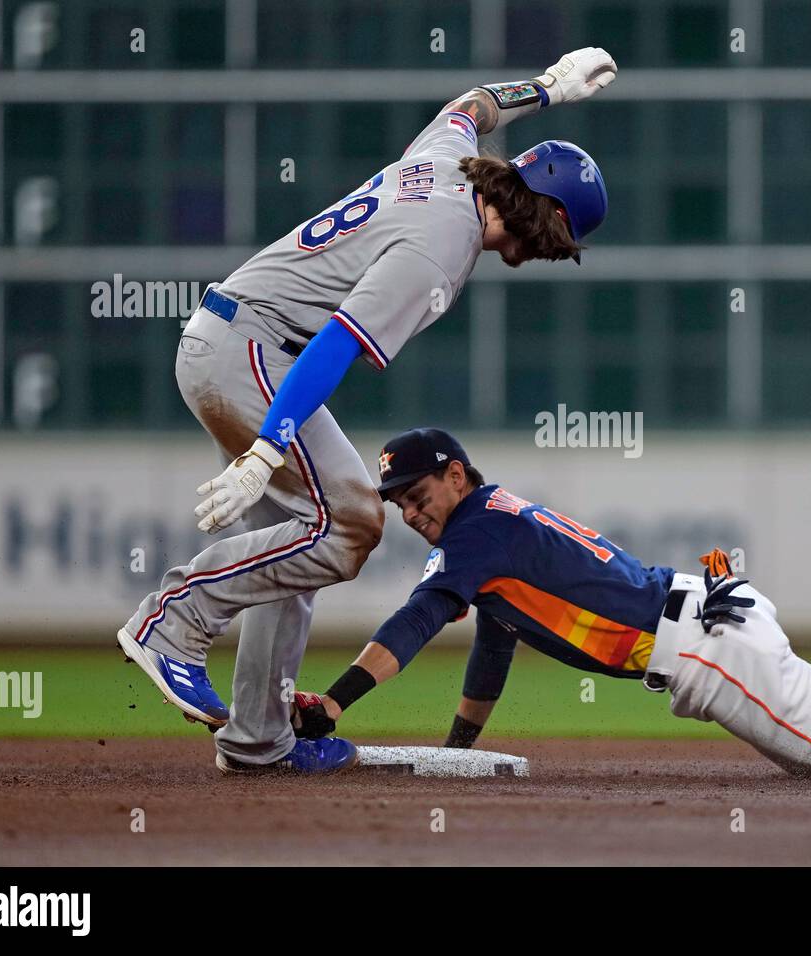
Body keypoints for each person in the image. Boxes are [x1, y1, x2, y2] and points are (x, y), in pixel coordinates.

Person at [117, 49, 618, 774]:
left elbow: (473, 106)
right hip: (254, 352)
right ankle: (171, 622)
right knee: (350, 522)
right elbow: (333, 347)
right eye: (558, 235)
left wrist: (543, 89)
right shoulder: (444, 250)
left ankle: (259, 738)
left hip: (235, 340)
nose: (550, 250)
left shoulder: (448, 160)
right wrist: (266, 448)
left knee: (294, 545)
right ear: (544, 214)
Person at [274, 428, 811, 784]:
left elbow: (413, 623)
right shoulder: (493, 532)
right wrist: (458, 752)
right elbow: (493, 645)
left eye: (416, 489)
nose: (408, 507)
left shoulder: (471, 533)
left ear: (456, 475)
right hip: (715, 611)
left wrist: (335, 702)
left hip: (703, 648)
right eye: (397, 500)